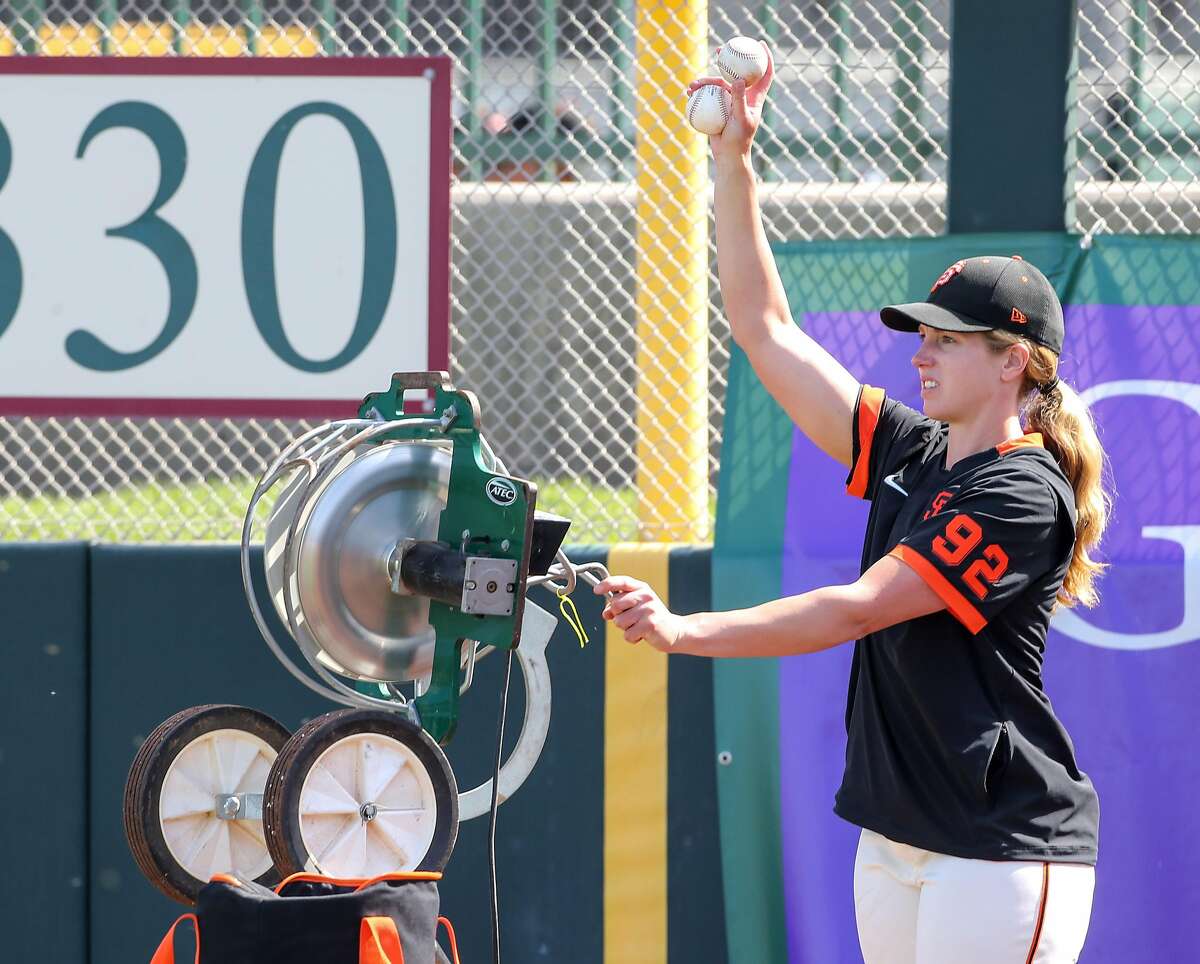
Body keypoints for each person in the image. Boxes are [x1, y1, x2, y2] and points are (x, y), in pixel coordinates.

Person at [594, 45, 1111, 964]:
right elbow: (764, 329)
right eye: (922, 333)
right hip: (899, 835)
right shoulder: (914, 451)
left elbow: (860, 607)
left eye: (948, 338)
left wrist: (683, 633)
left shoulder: (1023, 493)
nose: (922, 351)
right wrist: (733, 161)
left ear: (1014, 361)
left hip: (999, 845)